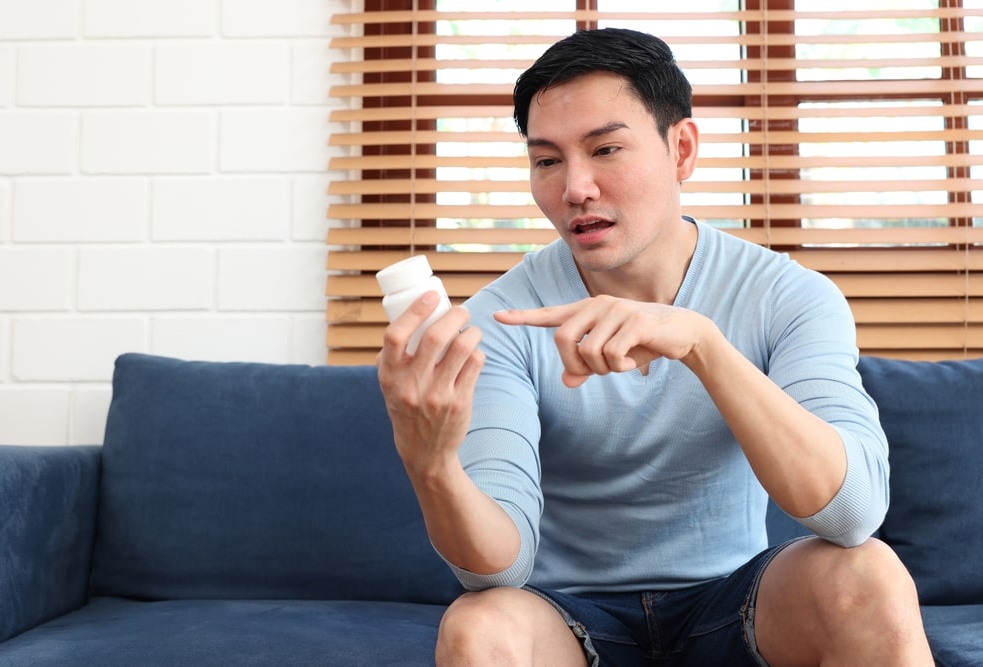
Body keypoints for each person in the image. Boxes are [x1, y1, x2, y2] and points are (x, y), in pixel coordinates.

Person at [376, 27, 932, 666]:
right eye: (548, 160)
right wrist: (433, 466)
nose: (575, 188)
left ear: (683, 149)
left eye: (606, 148)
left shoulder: (789, 297)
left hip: (736, 604)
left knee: (871, 575)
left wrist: (703, 346)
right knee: (478, 625)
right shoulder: (502, 320)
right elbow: (494, 573)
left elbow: (853, 514)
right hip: (571, 619)